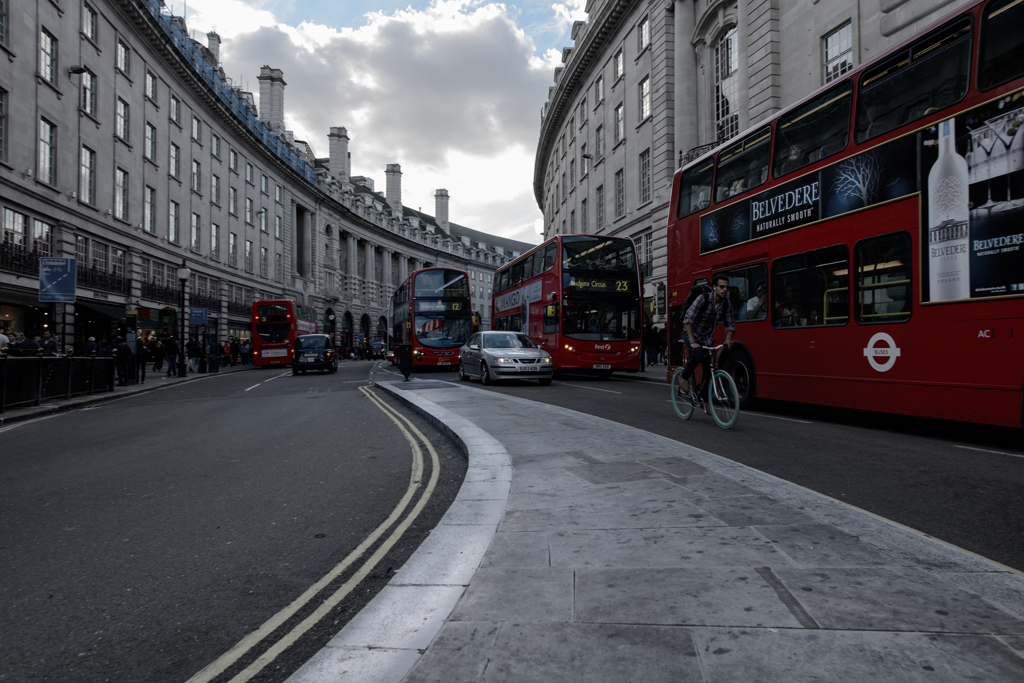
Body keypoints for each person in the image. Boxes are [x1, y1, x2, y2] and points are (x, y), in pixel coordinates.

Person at [677, 273, 736, 412]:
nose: (725, 290)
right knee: (696, 355)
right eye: (722, 286)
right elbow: (688, 321)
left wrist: (728, 338)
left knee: (709, 368)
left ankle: (704, 399)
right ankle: (683, 377)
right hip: (691, 333)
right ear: (714, 287)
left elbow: (730, 323)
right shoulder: (702, 299)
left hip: (708, 337)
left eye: (727, 287)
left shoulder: (726, 303)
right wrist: (692, 341)